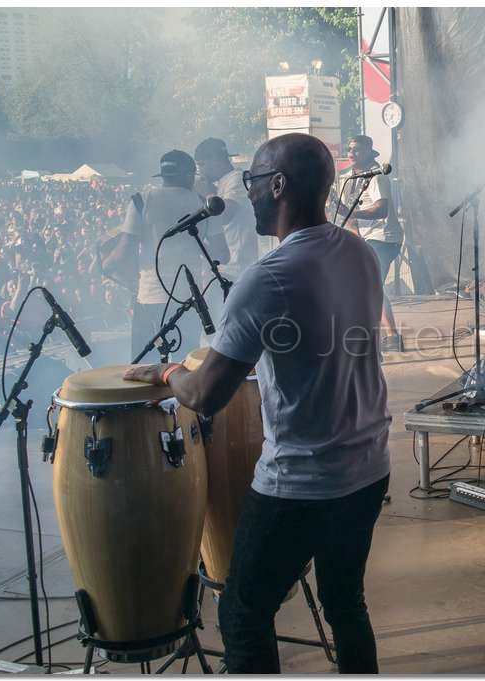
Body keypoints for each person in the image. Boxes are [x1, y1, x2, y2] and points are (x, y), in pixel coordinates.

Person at [124, 133, 390, 673]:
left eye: (252, 183)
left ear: (278, 185)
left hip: (302, 481)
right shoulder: (359, 253)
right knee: (345, 603)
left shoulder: (268, 277)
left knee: (243, 612)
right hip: (368, 468)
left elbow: (204, 396)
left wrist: (166, 371)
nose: (247, 195)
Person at [117, 150, 213, 361]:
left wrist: (103, 263)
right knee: (186, 364)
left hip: (150, 295)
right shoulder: (203, 204)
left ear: (163, 176)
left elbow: (124, 253)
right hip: (190, 296)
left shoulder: (141, 201)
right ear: (190, 176)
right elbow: (221, 253)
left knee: (145, 368)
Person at [332, 134, 404, 352]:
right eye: (350, 149)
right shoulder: (347, 179)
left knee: (371, 284)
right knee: (366, 285)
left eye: (357, 150)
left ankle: (388, 336)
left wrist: (353, 213)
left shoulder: (377, 176)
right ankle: (384, 335)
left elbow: (381, 209)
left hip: (384, 238)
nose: (352, 153)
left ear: (369, 152)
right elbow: (349, 217)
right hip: (364, 238)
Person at [194, 137, 258, 280]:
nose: (201, 171)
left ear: (216, 160)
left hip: (236, 268)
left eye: (202, 165)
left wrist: (207, 193)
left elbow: (225, 214)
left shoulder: (236, 179)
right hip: (225, 267)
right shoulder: (223, 182)